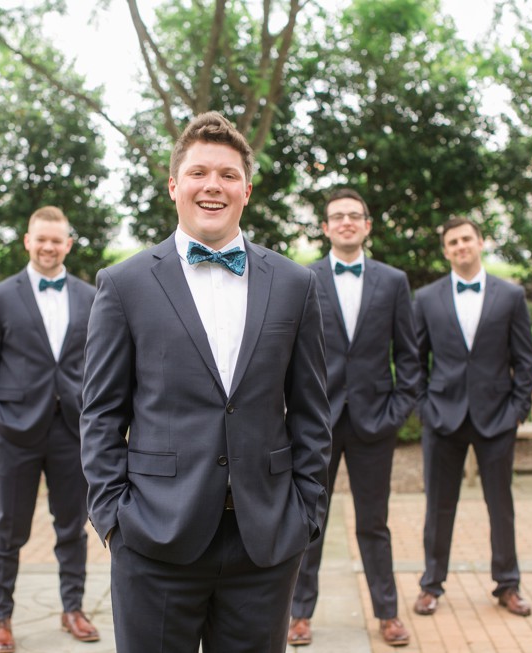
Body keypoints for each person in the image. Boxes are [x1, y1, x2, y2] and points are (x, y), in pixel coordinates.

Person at [80, 111, 332, 653]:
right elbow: (100, 413)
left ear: (246, 189)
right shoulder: (123, 285)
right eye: (198, 173)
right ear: (174, 186)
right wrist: (113, 520)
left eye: (227, 174)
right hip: (154, 539)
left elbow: (312, 411)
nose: (212, 185)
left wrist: (305, 515)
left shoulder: (294, 284)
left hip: (264, 543)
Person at [288, 188, 419, 648]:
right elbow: (290, 355)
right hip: (315, 423)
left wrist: (397, 413)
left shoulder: (393, 281)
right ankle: (299, 613)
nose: (346, 222)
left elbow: (409, 356)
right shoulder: (302, 279)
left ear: (366, 225)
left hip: (374, 422)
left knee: (374, 523)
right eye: (336, 216)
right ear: (325, 228)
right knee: (309, 520)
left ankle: (387, 613)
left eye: (354, 216)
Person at [0, 206, 99, 652]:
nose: (48, 246)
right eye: (41, 239)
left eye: (56, 240)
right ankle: (0, 618)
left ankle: (73, 608)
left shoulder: (90, 295)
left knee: (72, 528)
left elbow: (99, 364)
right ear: (28, 241)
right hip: (12, 432)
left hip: (71, 430)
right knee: (8, 530)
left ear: (68, 244)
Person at [412, 216, 532, 617]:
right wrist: (424, 408)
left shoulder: (511, 296)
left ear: (481, 242)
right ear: (446, 250)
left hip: (497, 417)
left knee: (501, 505)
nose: (461, 246)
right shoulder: (427, 298)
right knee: (437, 506)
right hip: (442, 418)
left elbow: (525, 359)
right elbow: (415, 361)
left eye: (467, 239)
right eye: (453, 242)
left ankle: (508, 584)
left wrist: (517, 410)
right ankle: (431, 584)